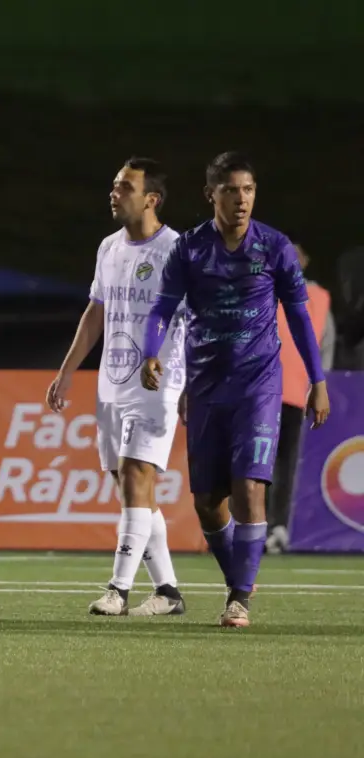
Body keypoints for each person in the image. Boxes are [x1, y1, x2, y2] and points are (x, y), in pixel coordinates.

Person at [141, 151, 330, 628]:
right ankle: (238, 581)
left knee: (249, 487)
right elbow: (163, 308)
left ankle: (239, 599)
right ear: (212, 196)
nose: (241, 199)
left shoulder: (275, 246)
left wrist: (317, 381)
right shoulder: (189, 249)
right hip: (204, 385)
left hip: (259, 384)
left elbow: (301, 318)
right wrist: (151, 352)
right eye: (231, 190)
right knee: (207, 502)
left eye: (248, 190)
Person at [48, 157, 187, 616]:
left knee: (135, 477)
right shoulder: (109, 247)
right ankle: (167, 591)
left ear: (152, 199)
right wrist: (68, 370)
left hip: (158, 384)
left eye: (125, 187)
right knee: (130, 488)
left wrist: (189, 380)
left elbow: (194, 321)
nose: (114, 193)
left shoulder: (177, 251)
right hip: (112, 383)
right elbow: (96, 312)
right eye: (113, 185)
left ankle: (118, 590)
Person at [266, 243, 334, 553]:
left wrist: (319, 385)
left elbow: (326, 343)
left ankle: (278, 527)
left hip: (295, 393)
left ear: (304, 260)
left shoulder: (318, 297)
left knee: (287, 465)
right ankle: (256, 526)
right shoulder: (263, 290)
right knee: (256, 464)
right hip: (260, 391)